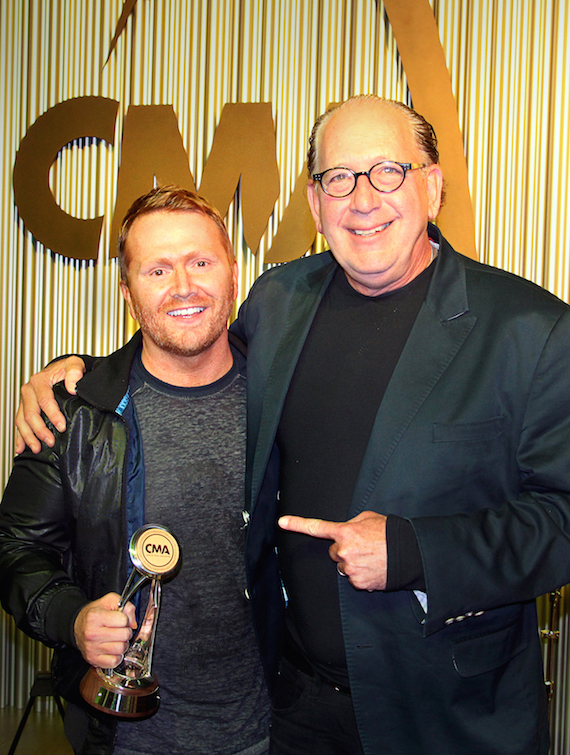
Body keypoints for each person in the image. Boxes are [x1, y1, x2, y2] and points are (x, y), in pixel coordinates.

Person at [13, 96, 570, 755]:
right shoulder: (278, 303)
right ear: (315, 203)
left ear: (433, 184)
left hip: (447, 715)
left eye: (388, 170)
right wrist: (73, 372)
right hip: (293, 709)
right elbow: (182, 341)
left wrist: (418, 551)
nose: (363, 198)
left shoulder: (531, 330)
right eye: (340, 177)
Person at [0, 186, 270, 755]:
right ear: (127, 293)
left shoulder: (286, 397)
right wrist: (73, 619)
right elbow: (15, 550)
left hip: (272, 729)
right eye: (157, 270)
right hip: (125, 738)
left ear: (233, 273)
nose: (183, 287)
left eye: (201, 262)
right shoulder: (72, 411)